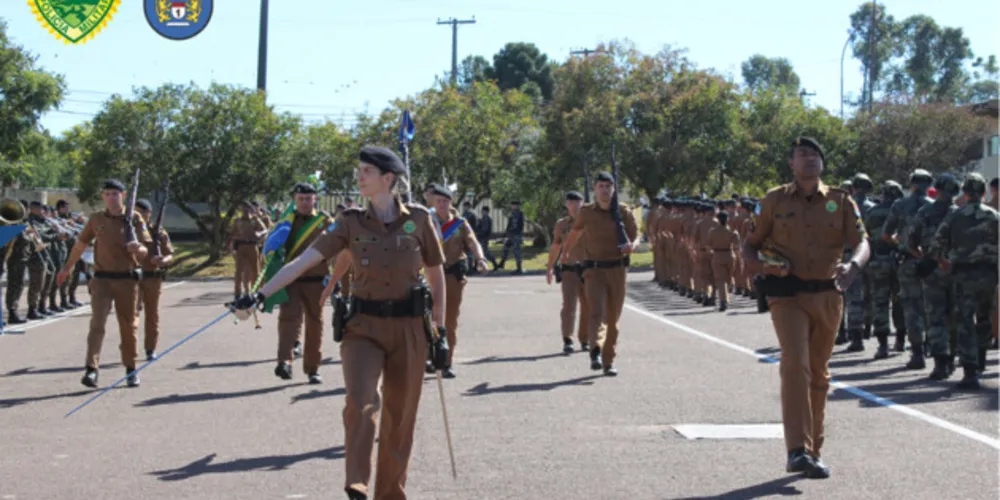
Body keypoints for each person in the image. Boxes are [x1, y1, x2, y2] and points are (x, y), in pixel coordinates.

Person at [230, 146, 447, 500]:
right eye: (358, 170)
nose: (359, 177)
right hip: (362, 328)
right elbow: (303, 261)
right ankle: (357, 483)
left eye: (366, 171)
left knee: (400, 417)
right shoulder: (349, 222)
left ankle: (390, 494)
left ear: (387, 178)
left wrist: (440, 333)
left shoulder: (420, 219)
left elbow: (437, 278)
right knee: (361, 402)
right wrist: (259, 294)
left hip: (409, 328)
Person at [741, 137, 869, 479]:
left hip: (829, 294)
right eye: (802, 154)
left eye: (815, 154)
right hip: (788, 295)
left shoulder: (842, 201)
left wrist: (853, 267)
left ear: (822, 164)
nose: (809, 158)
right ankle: (796, 449)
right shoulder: (773, 200)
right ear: (791, 164)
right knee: (795, 364)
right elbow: (750, 247)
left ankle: (812, 450)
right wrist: (763, 267)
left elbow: (862, 242)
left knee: (818, 373)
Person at [57, 179, 152, 388]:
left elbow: (146, 251)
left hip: (127, 280)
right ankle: (91, 369)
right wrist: (67, 268)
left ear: (123, 196)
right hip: (101, 280)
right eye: (107, 194)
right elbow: (80, 245)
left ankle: (130, 368)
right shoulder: (96, 219)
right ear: (103, 197)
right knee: (97, 324)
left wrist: (137, 248)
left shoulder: (134, 218)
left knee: (128, 326)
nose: (111, 197)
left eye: (115, 194)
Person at [559, 172, 639, 376]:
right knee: (596, 311)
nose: (605, 190)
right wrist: (566, 253)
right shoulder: (586, 213)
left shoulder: (623, 212)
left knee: (613, 318)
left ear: (614, 188)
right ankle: (595, 348)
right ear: (594, 189)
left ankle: (608, 360)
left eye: (608, 186)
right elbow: (575, 232)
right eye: (601, 186)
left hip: (617, 270)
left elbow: (636, 236)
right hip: (593, 270)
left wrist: (632, 246)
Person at [928, 173, 998, 389]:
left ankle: (969, 372)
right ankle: (982, 360)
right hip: (989, 275)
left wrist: (943, 263)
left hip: (963, 275)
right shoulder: (995, 216)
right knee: (984, 317)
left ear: (965, 193)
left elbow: (935, 246)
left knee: (965, 321)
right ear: (984, 193)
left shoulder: (955, 217)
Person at [271, 182, 335, 384]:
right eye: (301, 199)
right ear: (294, 200)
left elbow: (336, 248)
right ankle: (284, 362)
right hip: (292, 279)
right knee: (288, 320)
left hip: (316, 281)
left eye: (309, 199)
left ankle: (312, 368)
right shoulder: (285, 221)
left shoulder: (324, 221)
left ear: (315, 199)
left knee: (315, 323)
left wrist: (336, 279)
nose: (305, 203)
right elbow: (273, 246)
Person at [429, 184, 489, 378]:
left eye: (445, 201)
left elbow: (472, 241)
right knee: (427, 318)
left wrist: (480, 259)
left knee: (449, 320)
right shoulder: (427, 222)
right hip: (430, 275)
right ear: (433, 202)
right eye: (438, 201)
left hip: (452, 275)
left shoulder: (459, 223)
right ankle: (430, 357)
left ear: (451, 202)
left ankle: (447, 361)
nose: (441, 204)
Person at [882, 169, 934, 369]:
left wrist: (901, 242)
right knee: (932, 306)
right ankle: (934, 347)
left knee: (912, 308)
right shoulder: (935, 207)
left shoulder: (899, 205)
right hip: (931, 262)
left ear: (911, 184)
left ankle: (917, 353)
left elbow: (886, 235)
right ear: (929, 185)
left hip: (908, 261)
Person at [547, 190, 600, 353]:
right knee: (569, 306)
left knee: (588, 306)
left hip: (589, 270)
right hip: (569, 270)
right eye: (570, 202)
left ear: (582, 203)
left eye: (577, 202)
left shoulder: (591, 222)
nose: (573, 206)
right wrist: (550, 267)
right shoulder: (562, 224)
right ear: (566, 205)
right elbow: (556, 246)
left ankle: (584, 339)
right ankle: (567, 339)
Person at [228, 201, 268, 301]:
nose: (244, 211)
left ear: (250, 209)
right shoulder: (237, 221)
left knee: (255, 270)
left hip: (252, 246)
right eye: (242, 209)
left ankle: (255, 292)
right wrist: (233, 244)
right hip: (241, 247)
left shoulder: (255, 220)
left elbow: (265, 230)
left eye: (246, 208)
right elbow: (231, 234)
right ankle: (237, 293)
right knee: (239, 271)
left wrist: (259, 234)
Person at [707, 210, 740, 312]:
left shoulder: (712, 231)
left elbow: (708, 245)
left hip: (717, 254)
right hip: (730, 255)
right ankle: (725, 298)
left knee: (720, 280)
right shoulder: (732, 231)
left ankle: (723, 300)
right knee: (727, 278)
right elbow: (737, 246)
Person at [497, 201, 525, 274]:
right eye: (512, 205)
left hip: (516, 235)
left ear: (517, 206)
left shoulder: (519, 214)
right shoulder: (512, 213)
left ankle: (519, 268)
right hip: (511, 235)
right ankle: (501, 264)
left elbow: (520, 225)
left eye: (514, 205)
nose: (512, 206)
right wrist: (506, 233)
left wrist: (516, 233)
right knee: (505, 247)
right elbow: (509, 224)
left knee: (516, 251)